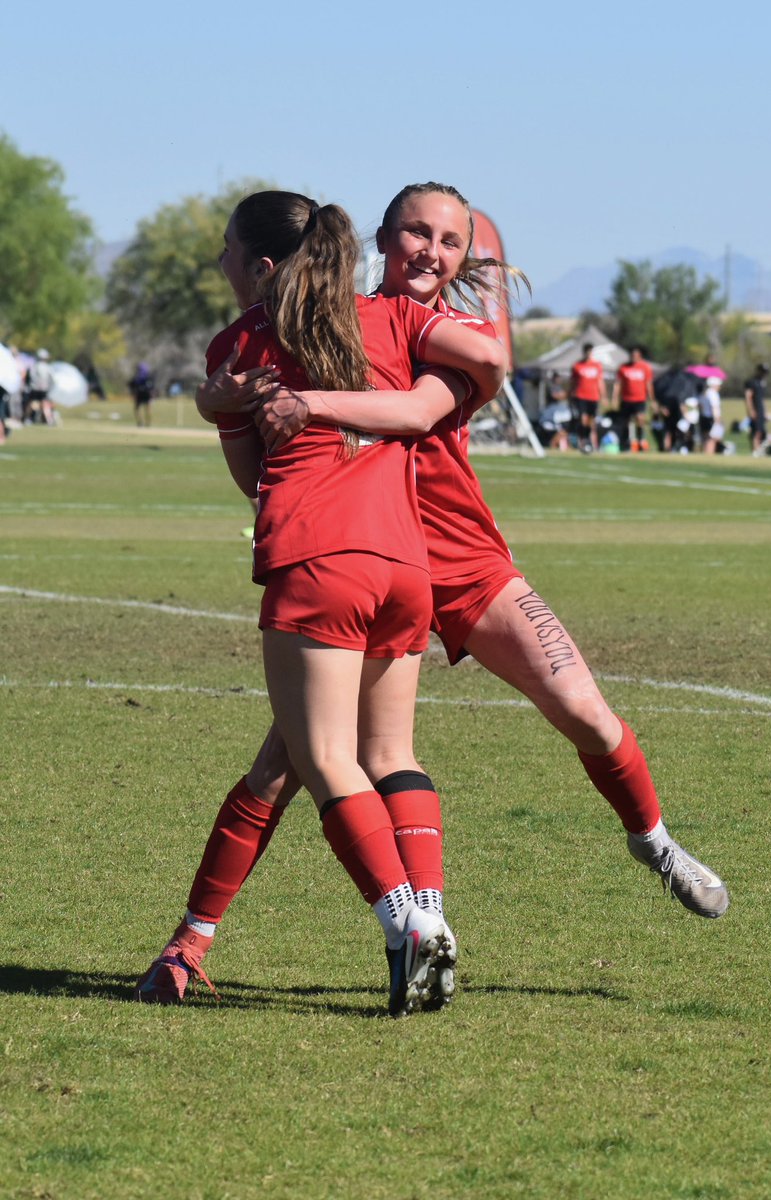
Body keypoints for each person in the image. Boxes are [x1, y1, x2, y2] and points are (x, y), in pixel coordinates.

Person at [164, 182, 729, 1014]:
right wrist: (227, 395)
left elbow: (422, 403)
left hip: (460, 566)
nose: (431, 251)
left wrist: (281, 403)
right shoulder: (345, 315)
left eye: (450, 241)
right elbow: (251, 393)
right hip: (385, 559)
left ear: (466, 256)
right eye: (415, 234)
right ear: (382, 241)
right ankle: (199, 942)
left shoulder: (437, 338)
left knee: (582, 712)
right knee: (290, 762)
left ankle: (653, 842)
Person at [135, 189, 508, 1017]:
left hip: (316, 559)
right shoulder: (391, 320)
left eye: (228, 248)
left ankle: (406, 922)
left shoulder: (239, 343)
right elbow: (486, 359)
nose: (219, 261)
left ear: (262, 265)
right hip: (406, 567)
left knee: (323, 758)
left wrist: (223, 407)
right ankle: (193, 946)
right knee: (374, 751)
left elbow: (250, 480)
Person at [612, 345, 654, 452]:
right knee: (625, 422)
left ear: (640, 356)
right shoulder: (623, 368)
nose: (633, 357)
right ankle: (625, 443)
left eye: (636, 355)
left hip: (639, 399)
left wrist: (652, 399)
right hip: (626, 399)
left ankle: (641, 441)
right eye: (632, 355)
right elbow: (618, 384)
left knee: (640, 419)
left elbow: (648, 384)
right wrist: (615, 398)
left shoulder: (645, 367)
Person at [568, 343, 606, 453]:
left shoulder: (597, 365)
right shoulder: (577, 366)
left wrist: (603, 396)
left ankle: (589, 440)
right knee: (582, 418)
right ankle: (583, 439)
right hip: (581, 396)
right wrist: (570, 394)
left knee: (591, 421)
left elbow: (600, 382)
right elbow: (573, 382)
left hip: (593, 397)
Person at [743, 363, 769, 455]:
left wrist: (765, 412)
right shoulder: (751, 382)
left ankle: (759, 449)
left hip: (761, 409)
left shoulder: (762, 383)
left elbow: (762, 399)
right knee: (755, 430)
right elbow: (748, 397)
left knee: (761, 430)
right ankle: (755, 449)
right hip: (755, 408)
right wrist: (750, 410)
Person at [25, 349, 55, 425]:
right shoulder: (48, 367)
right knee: (45, 404)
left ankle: (27, 419)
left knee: (32, 403)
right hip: (45, 389)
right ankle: (49, 420)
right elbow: (52, 380)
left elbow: (32, 377)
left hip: (35, 388)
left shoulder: (35, 366)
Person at [699, 377, 724, 454]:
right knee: (712, 438)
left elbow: (700, 405)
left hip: (703, 417)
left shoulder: (704, 393)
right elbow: (714, 406)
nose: (719, 387)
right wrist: (717, 419)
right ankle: (709, 454)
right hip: (712, 418)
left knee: (705, 437)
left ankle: (705, 452)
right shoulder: (713, 394)